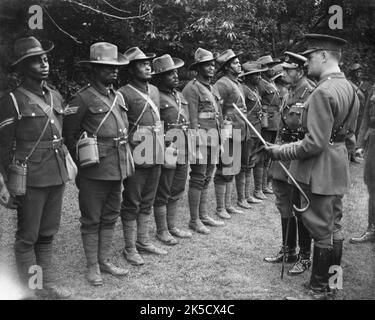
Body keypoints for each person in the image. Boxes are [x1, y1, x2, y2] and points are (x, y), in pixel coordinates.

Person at [266, 34, 359, 299]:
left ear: (323, 56)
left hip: (318, 170)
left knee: (320, 230)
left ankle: (319, 290)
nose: (307, 63)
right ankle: (333, 285)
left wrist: (280, 151)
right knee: (335, 227)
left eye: (309, 57)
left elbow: (314, 144)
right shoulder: (350, 88)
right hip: (337, 167)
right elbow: (349, 137)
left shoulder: (323, 92)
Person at [0, 36, 71, 299]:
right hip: (29, 178)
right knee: (28, 236)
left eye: (45, 59)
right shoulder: (12, 100)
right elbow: (4, 147)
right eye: (36, 61)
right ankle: (32, 289)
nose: (44, 64)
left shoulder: (55, 95)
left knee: (48, 233)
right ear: (23, 66)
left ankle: (47, 285)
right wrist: (7, 184)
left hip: (56, 173)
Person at [63, 42, 130, 286]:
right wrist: (85, 162)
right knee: (92, 218)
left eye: (115, 67)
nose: (113, 71)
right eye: (106, 67)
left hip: (117, 165)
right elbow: (68, 136)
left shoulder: (118, 96)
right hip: (94, 169)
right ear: (94, 69)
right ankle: (92, 267)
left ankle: (104, 261)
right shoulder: (81, 98)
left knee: (111, 215)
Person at [264, 52, 314, 276]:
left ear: (301, 71)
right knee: (283, 203)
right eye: (284, 70)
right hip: (282, 156)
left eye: (289, 70)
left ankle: (305, 256)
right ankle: (288, 250)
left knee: (299, 207)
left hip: (298, 156)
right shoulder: (289, 92)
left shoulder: (312, 93)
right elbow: (281, 127)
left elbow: (313, 133)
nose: (284, 74)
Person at [118, 47, 167, 266]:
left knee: (148, 198)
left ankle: (143, 240)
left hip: (155, 149)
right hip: (136, 151)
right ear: (131, 69)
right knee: (132, 200)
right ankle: (129, 248)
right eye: (141, 63)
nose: (148, 66)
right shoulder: (123, 93)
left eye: (149, 62)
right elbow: (120, 126)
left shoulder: (155, 90)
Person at [182, 48, 225, 234]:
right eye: (207, 65)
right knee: (198, 178)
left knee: (207, 177)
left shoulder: (212, 87)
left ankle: (204, 214)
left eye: (213, 64)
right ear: (198, 68)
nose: (211, 67)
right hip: (200, 140)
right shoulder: (191, 88)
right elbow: (191, 119)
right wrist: (194, 145)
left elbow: (218, 115)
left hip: (214, 138)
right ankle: (194, 220)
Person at [152, 54, 192, 245]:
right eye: (170, 74)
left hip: (183, 145)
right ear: (159, 77)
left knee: (177, 187)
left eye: (175, 72)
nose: (176, 76)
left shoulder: (179, 94)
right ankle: (162, 230)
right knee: (163, 189)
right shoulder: (155, 97)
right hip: (167, 147)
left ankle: (172, 226)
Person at [214, 49, 249, 217]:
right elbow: (216, 109)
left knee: (233, 168)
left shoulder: (236, 82)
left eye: (238, 62)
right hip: (228, 132)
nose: (239, 65)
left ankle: (228, 205)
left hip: (239, 131)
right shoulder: (222, 83)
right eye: (235, 63)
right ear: (227, 67)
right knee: (224, 169)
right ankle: (220, 208)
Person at [238, 61, 267, 204]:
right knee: (245, 164)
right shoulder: (243, 89)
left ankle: (250, 194)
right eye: (256, 75)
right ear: (248, 77)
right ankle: (242, 197)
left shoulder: (256, 90)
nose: (260, 77)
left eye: (260, 74)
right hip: (248, 131)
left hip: (257, 129)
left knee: (252, 162)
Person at [349, 83, 375, 244]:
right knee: (372, 184)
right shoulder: (374, 87)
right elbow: (365, 117)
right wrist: (359, 144)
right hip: (373, 141)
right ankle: (372, 228)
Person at [256, 55, 282, 196]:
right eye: (269, 66)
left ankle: (266, 184)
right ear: (263, 68)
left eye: (272, 66)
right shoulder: (260, 83)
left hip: (274, 122)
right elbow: (258, 103)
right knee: (262, 155)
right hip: (266, 123)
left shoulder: (270, 82)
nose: (272, 69)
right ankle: (258, 188)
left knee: (269, 155)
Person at [347, 63, 366, 163]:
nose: (359, 74)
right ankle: (348, 155)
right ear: (353, 73)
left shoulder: (360, 83)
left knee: (356, 133)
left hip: (360, 113)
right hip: (352, 113)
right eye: (357, 72)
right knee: (350, 133)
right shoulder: (349, 83)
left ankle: (353, 154)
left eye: (360, 72)